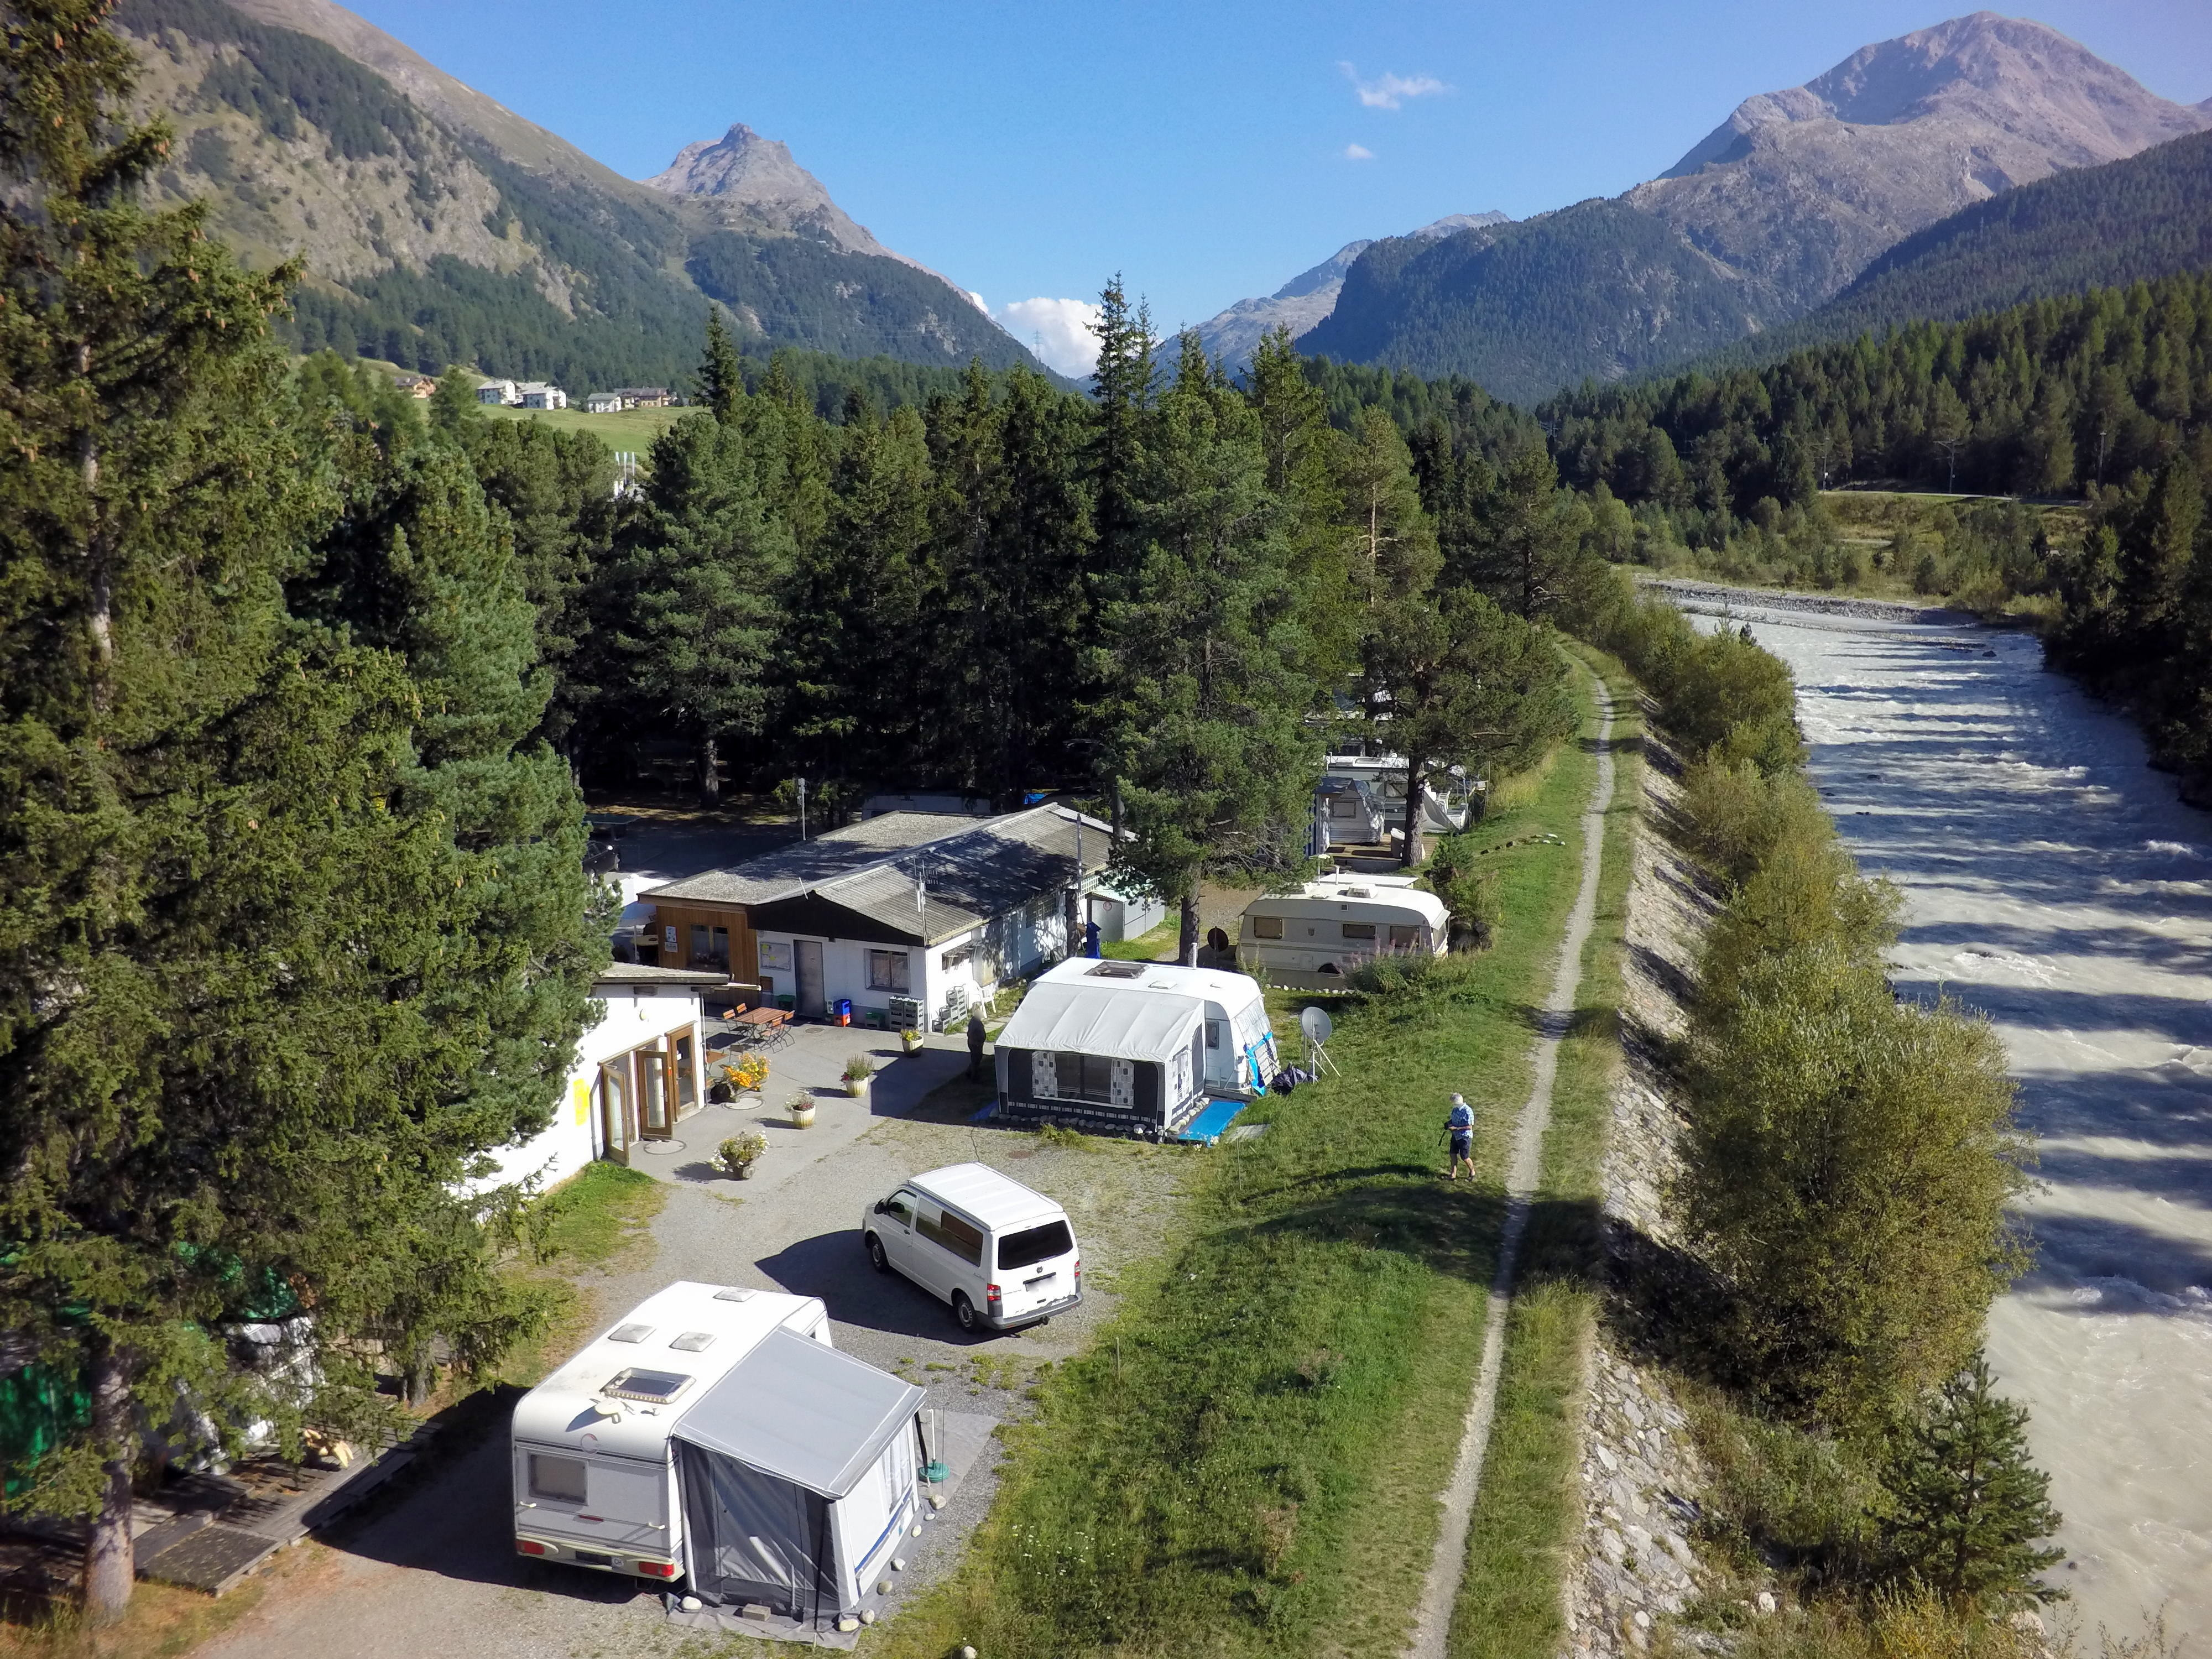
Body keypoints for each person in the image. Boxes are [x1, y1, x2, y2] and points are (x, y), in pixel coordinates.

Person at [1444, 1093, 1475, 1181]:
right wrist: (1449, 1123)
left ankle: (1472, 1172)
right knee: (1453, 1154)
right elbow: (1454, 1119)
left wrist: (1457, 1128)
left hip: (1464, 1137)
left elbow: (1469, 1127)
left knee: (1465, 1157)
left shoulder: (1468, 1111)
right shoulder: (1455, 1110)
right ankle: (1453, 1174)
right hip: (1456, 1136)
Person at [966, 1008, 988, 1083]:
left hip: (977, 1043)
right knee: (976, 1059)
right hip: (975, 1044)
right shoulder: (975, 1023)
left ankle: (970, 1072)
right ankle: (974, 1076)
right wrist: (976, 1042)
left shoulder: (977, 1022)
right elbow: (970, 1034)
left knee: (977, 1058)